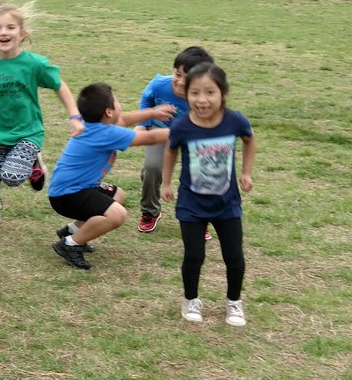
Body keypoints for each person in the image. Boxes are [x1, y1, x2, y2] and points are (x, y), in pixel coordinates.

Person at [0, 4, 84, 223]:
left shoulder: (33, 63)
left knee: (12, 177)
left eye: (10, 27)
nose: (4, 32)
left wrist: (74, 116)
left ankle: (34, 161)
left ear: (22, 33)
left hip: (27, 132)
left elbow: (59, 85)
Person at [162, 63, 255, 327]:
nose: (202, 100)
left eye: (210, 92)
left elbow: (249, 139)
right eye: (194, 93)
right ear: (186, 94)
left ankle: (234, 302)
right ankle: (190, 299)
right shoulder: (182, 126)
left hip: (227, 203)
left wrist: (246, 173)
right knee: (194, 256)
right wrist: (166, 182)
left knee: (234, 256)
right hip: (191, 203)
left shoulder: (235, 121)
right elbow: (171, 150)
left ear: (223, 93)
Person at [47, 83, 172, 270]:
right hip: (67, 196)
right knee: (117, 215)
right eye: (117, 101)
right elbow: (151, 138)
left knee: (117, 195)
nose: (120, 105)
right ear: (109, 112)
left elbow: (124, 119)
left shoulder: (93, 125)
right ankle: (70, 244)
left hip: (68, 190)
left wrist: (152, 113)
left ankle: (72, 231)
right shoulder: (105, 133)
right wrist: (184, 131)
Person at [135, 46, 214, 234]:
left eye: (188, 78)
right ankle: (150, 211)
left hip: (191, 135)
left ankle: (199, 217)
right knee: (152, 168)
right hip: (160, 130)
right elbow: (146, 98)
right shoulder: (159, 84)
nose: (180, 82)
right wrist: (143, 124)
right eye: (177, 74)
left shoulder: (204, 96)